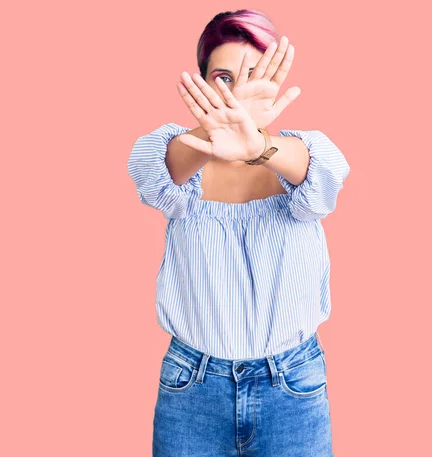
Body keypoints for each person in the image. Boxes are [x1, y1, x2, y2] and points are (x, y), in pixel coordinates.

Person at [127, 8, 350, 457]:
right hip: (192, 388)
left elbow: (322, 181)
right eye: (224, 78)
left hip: (292, 385)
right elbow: (156, 176)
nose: (238, 92)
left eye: (252, 74)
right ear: (205, 84)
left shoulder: (300, 154)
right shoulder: (179, 157)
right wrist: (215, 131)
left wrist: (260, 147)